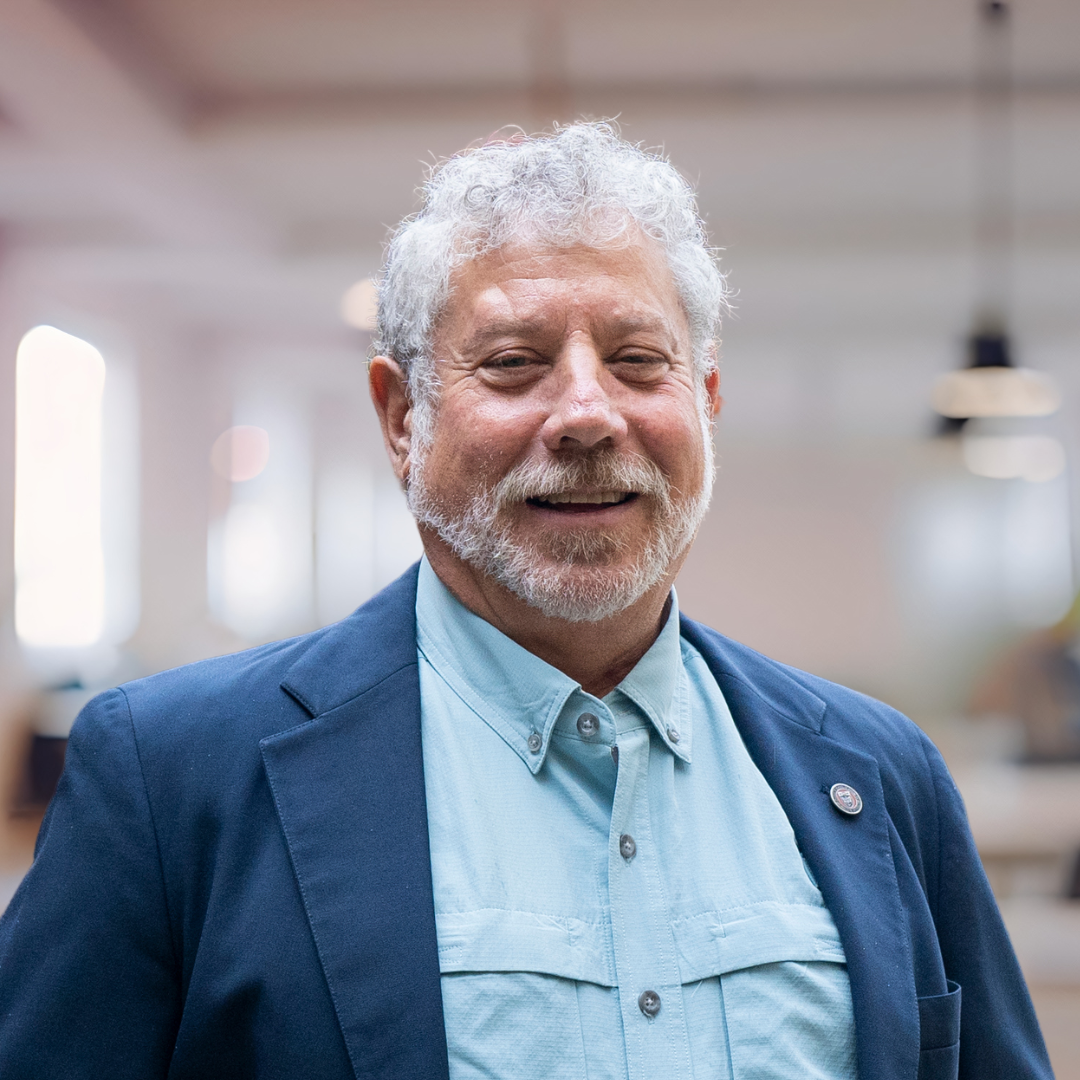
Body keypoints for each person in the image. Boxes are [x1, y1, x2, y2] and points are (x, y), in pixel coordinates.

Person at [0, 123, 1052, 1080]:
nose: (589, 415)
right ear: (402, 417)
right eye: (514, 364)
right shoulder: (173, 779)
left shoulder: (880, 774)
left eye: (640, 362)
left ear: (708, 405)